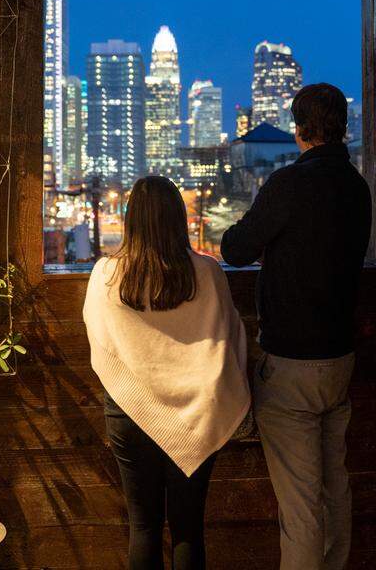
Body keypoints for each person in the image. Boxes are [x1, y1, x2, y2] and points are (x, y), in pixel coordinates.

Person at [221, 83, 372, 570]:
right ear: (342, 127)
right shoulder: (356, 186)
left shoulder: (288, 184)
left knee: (301, 504)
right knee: (335, 488)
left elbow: (234, 249)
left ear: (300, 128)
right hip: (340, 357)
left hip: (292, 363)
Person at [83, 176, 250, 570]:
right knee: (189, 528)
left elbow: (98, 336)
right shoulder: (208, 272)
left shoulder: (106, 274)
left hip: (129, 410)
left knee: (143, 526)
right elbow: (230, 335)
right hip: (200, 413)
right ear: (178, 218)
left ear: (131, 221)